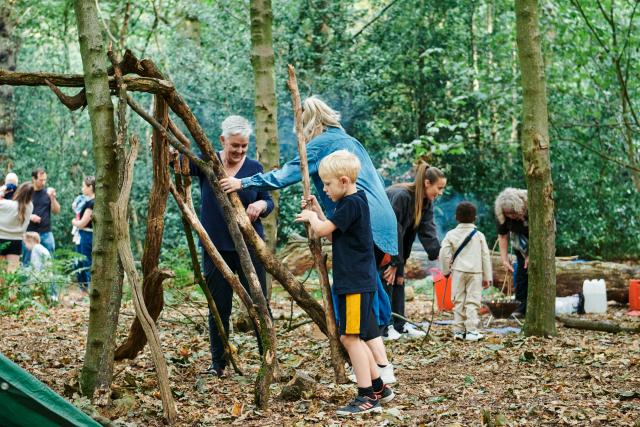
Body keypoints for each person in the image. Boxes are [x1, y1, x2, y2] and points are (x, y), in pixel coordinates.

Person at [220, 96, 397, 385]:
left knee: (356, 302)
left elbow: (285, 175)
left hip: (363, 225)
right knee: (368, 293)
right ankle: (379, 366)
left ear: (308, 123)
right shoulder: (349, 140)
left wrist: (244, 183)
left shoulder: (321, 144)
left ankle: (372, 371)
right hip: (382, 222)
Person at [296, 150, 394, 416]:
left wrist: (311, 218)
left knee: (350, 338)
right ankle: (378, 387)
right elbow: (333, 232)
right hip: (353, 282)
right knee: (352, 336)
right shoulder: (350, 203)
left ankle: (365, 397)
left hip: (355, 283)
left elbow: (323, 230)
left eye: (327, 184)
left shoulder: (352, 203)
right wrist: (317, 210)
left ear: (343, 180)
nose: (325, 188)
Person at [189, 115, 274, 378]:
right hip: (215, 248)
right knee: (218, 306)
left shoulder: (254, 167)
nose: (239, 151)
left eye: (243, 146)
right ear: (223, 140)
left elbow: (268, 200)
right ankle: (219, 363)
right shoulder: (208, 163)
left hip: (249, 248)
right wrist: (166, 151)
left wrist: (261, 205)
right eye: (234, 145)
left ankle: (268, 359)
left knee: (260, 305)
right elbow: (177, 162)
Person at [384, 162, 447, 338]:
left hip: (398, 246)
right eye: (439, 188)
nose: (440, 192)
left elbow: (428, 231)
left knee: (399, 282)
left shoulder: (425, 203)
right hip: (382, 245)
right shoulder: (402, 196)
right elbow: (392, 229)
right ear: (427, 183)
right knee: (387, 281)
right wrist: (394, 261)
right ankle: (384, 327)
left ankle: (400, 325)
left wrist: (440, 255)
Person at [439, 202, 492, 341]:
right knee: (473, 301)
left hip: (458, 272)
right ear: (475, 218)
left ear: (456, 217)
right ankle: (472, 332)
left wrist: (445, 271)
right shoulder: (479, 235)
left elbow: (444, 253)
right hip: (476, 272)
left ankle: (458, 331)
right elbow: (485, 256)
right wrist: (487, 276)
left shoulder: (451, 234)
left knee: (458, 300)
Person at [494, 188, 529, 316]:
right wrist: (504, 260)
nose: (510, 216)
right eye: (507, 214)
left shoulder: (531, 205)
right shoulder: (501, 213)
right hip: (519, 243)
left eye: (513, 213)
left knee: (534, 272)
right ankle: (520, 308)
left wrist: (531, 254)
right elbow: (503, 236)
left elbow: (542, 233)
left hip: (538, 240)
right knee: (521, 273)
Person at [24, 168, 60, 264]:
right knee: (27, 262)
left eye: (45, 180)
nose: (43, 182)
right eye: (41, 180)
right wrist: (30, 216)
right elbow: (19, 210)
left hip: (46, 233)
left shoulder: (47, 193)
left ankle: (50, 280)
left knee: (49, 262)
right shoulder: (27, 193)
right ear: (34, 179)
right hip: (30, 233)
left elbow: (56, 211)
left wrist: (52, 198)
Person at [0, 183, 34, 272]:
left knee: (1, 274)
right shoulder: (29, 207)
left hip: (1, 239)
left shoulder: (5, 204)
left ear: (18, 192)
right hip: (16, 242)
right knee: (12, 274)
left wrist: (3, 189)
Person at [71, 176, 95, 291]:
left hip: (87, 235)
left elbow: (83, 223)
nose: (82, 188)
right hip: (82, 235)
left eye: (83, 186)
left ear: (90, 187)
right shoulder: (84, 201)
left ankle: (88, 289)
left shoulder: (92, 203)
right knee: (79, 262)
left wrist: (74, 222)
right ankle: (83, 288)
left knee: (86, 262)